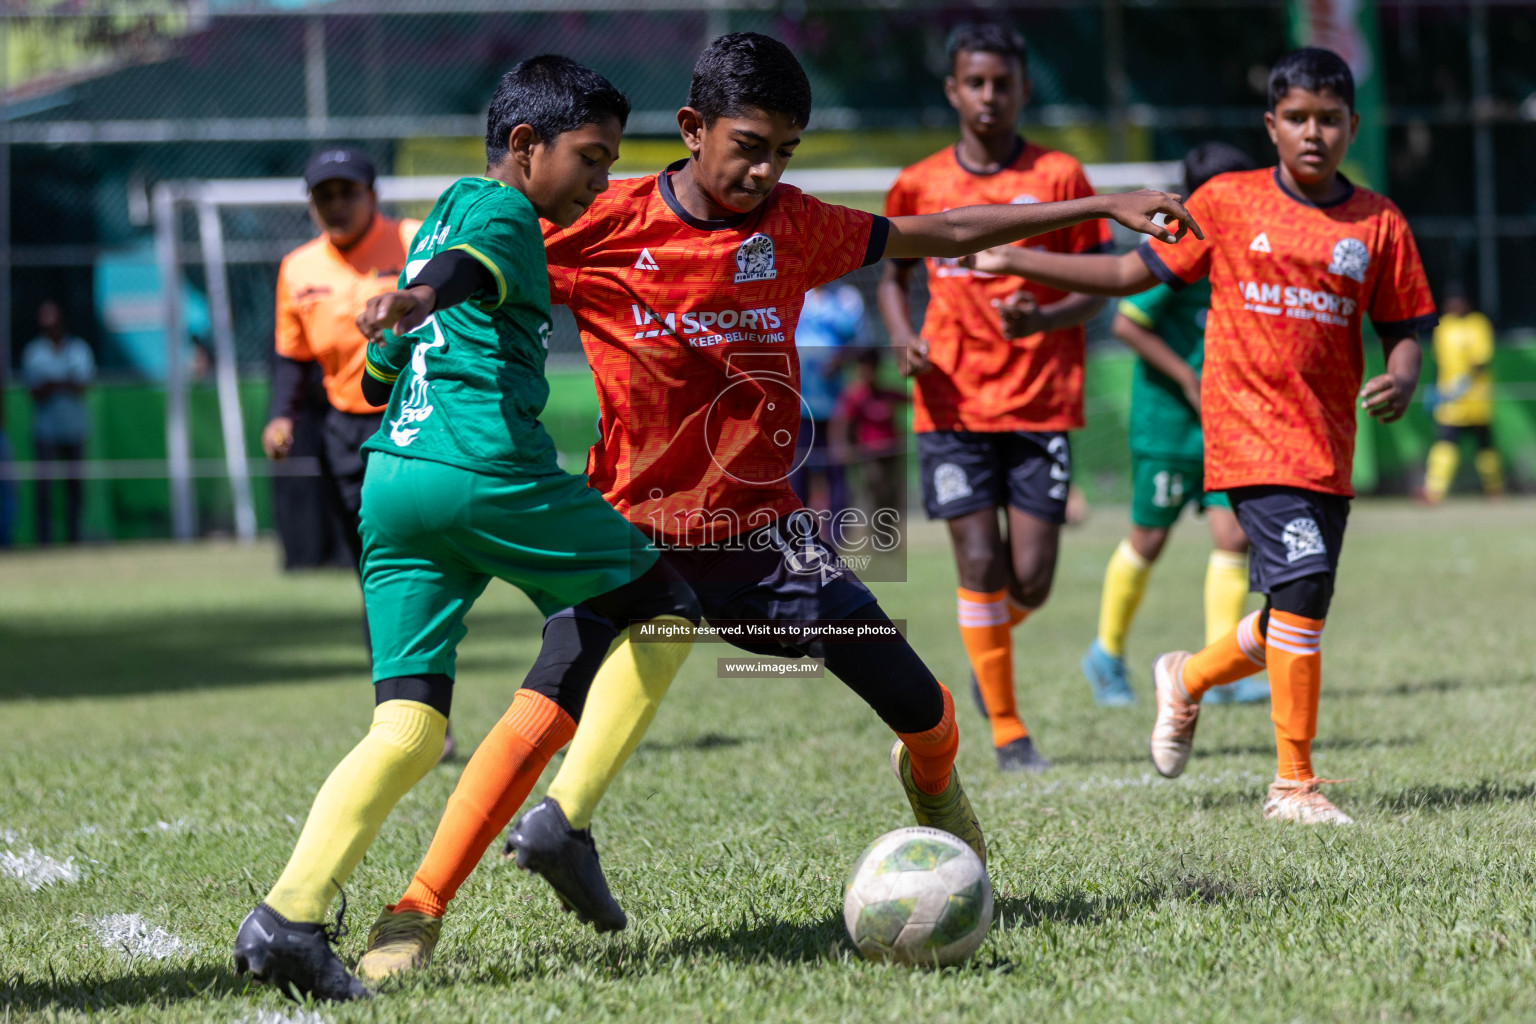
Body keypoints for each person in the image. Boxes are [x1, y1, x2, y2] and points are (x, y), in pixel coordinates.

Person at [350, 32, 1198, 979]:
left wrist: (1102, 205)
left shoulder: (795, 227)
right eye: (749, 143)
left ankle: (938, 799)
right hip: (630, 536)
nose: (765, 169)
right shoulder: (599, 220)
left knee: (924, 709)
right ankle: (413, 913)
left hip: (766, 539)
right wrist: (410, 314)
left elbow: (949, 233)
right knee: (542, 707)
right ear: (692, 128)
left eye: (786, 150)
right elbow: (478, 252)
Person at [231, 56, 701, 1003]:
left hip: (394, 483)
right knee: (667, 604)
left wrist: (400, 319)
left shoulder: (433, 216)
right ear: (525, 147)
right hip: (483, 472)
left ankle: (288, 916)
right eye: (591, 158)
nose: (601, 179)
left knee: (406, 726)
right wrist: (418, 298)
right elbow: (459, 271)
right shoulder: (498, 210)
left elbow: (376, 374)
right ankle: (566, 817)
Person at [963, 48, 1436, 825]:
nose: (1312, 133)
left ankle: (1184, 677)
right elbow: (1125, 279)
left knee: (1294, 608)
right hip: (1247, 434)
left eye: (1328, 120)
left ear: (1352, 126)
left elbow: (1406, 323)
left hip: (1326, 445)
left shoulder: (1378, 221)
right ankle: (1293, 786)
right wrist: (1019, 256)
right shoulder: (1226, 202)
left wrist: (1406, 377)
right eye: (1296, 119)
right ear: (1271, 126)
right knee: (1305, 593)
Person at [877, 23, 1112, 771]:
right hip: (951, 403)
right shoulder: (920, 183)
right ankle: (1009, 730)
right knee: (979, 562)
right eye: (974, 83)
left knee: (1031, 580)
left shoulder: (1061, 177)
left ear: (1022, 88)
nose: (988, 96)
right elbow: (892, 275)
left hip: (1042, 400)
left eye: (1001, 83)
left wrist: (1041, 315)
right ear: (952, 89)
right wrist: (901, 337)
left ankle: (988, 651)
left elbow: (1100, 286)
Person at [1080, 142, 1270, 707]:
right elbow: (1130, 325)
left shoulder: (1244, 250)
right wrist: (1189, 382)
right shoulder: (1176, 245)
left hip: (1224, 419)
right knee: (1150, 537)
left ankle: (1216, 668)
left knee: (1232, 535)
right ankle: (1106, 654)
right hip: (1168, 422)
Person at [22, 301, 95, 545]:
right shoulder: (34, 353)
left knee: (75, 490)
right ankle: (45, 543)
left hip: (74, 430)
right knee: (45, 491)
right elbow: (36, 392)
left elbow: (82, 386)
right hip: (46, 432)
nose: (50, 327)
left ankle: (75, 540)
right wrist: (64, 382)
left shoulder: (79, 349)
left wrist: (54, 384)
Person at [1423, 288, 1503, 502]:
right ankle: (1434, 492)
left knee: (1485, 446)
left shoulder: (1478, 324)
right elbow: (1439, 362)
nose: (1453, 307)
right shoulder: (1443, 327)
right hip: (1450, 401)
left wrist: (1465, 382)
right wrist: (1435, 388)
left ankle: (1495, 490)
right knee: (1445, 443)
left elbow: (1482, 360)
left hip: (1476, 400)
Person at [790, 281, 863, 515]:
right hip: (798, 402)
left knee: (836, 466)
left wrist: (839, 360)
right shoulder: (796, 292)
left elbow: (858, 342)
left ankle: (838, 532)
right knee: (798, 467)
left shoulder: (847, 297)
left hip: (835, 401)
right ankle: (796, 527)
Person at [832, 347, 908, 518]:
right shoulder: (854, 395)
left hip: (892, 452)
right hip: (869, 455)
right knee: (874, 495)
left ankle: (891, 536)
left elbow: (911, 400)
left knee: (892, 496)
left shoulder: (887, 392)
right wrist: (842, 445)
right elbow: (841, 422)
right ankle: (876, 536)